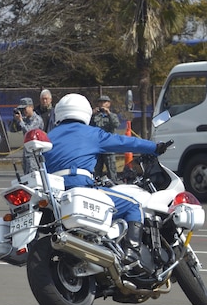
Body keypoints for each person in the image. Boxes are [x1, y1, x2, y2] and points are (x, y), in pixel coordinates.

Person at [42, 93, 168, 268]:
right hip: (80, 185)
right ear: (85, 113)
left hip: (55, 192)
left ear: (59, 112)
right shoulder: (92, 133)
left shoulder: (49, 136)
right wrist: (154, 147)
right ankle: (132, 254)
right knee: (133, 206)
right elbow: (124, 142)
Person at [90, 94, 122, 183]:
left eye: (104, 102)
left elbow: (116, 124)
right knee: (97, 170)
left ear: (109, 104)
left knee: (111, 169)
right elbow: (88, 126)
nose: (102, 104)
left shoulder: (112, 115)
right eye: (100, 102)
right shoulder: (95, 116)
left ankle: (114, 183)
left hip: (108, 146)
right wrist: (91, 114)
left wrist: (109, 114)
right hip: (97, 146)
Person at [14, 97, 44, 175]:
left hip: (34, 154)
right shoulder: (25, 119)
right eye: (22, 109)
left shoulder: (37, 119)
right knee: (26, 176)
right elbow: (12, 129)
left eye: (25, 108)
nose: (24, 111)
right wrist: (15, 119)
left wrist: (21, 121)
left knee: (33, 175)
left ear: (31, 107)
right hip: (26, 153)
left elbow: (29, 132)